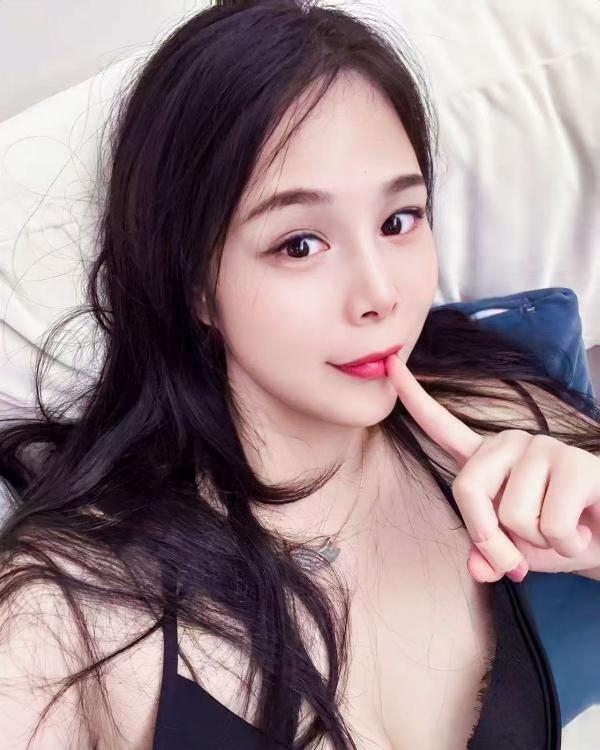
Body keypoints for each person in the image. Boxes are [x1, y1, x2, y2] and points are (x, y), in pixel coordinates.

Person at [1, 1, 599, 748]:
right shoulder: (71, 617)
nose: (380, 294)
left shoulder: (507, 418)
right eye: (300, 244)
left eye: (399, 221)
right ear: (194, 283)